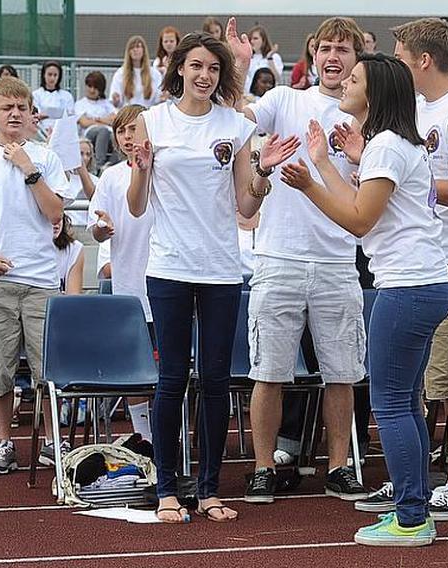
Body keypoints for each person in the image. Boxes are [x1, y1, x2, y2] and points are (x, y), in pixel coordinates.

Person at [125, 26, 299, 524]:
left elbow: (246, 204)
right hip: (169, 268)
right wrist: (139, 168)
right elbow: (137, 208)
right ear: (179, 67)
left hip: (222, 269)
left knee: (217, 381)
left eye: (214, 68)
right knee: (172, 379)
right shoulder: (152, 122)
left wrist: (262, 172)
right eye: (196, 66)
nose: (204, 75)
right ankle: (166, 490)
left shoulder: (235, 125)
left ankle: (208, 491)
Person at [282, 52, 448, 548]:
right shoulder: (392, 144)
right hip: (422, 284)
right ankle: (414, 507)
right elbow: (362, 203)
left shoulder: (385, 145)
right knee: (407, 405)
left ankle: (411, 517)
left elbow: (358, 220)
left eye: (354, 78)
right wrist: (321, 164)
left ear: (374, 92)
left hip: (408, 287)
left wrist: (310, 186)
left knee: (392, 405)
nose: (345, 82)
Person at [238, 16, 369, 506]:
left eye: (344, 49)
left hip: (338, 260)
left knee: (342, 373)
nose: (334, 57)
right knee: (268, 372)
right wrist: (240, 66)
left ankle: (339, 467)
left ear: (357, 57)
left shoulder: (366, 115)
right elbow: (235, 120)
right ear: (312, 55)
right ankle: (263, 467)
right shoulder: (283, 100)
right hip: (278, 257)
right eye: (326, 48)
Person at [379, 17, 448, 522]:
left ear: (423, 60)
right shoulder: (422, 109)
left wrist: (404, 181)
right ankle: (414, 478)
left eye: (400, 55)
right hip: (418, 260)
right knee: (413, 384)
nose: (397, 64)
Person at [0, 77, 73, 474]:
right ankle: (4, 443)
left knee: (49, 370)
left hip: (41, 279)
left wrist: (29, 168)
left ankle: (51, 442)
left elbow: (55, 213)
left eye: (22, 107)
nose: (15, 114)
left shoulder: (47, 157)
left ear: (30, 112)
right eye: (7, 108)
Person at [89, 104, 155, 441]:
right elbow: (96, 230)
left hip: (169, 286)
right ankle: (144, 438)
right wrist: (103, 228)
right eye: (122, 131)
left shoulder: (166, 169)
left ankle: (170, 437)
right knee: (136, 372)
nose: (129, 138)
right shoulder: (111, 177)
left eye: (135, 129)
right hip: (130, 292)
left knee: (170, 370)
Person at [74, 71, 117, 170]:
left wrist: (97, 119)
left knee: (118, 137)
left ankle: (112, 165)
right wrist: (104, 120)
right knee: (103, 131)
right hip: (90, 133)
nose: (92, 90)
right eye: (90, 86)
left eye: (96, 88)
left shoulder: (106, 104)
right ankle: (98, 165)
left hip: (109, 134)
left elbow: (115, 119)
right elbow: (84, 123)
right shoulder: (80, 104)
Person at [110, 35, 162, 108]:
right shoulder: (120, 73)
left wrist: (163, 97)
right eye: (132, 48)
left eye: (138, 47)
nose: (135, 50)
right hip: (128, 114)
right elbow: (116, 102)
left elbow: (158, 99)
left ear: (143, 50)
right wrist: (116, 100)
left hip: (148, 114)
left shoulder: (154, 74)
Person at [32, 61, 75, 132]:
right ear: (44, 75)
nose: (52, 78)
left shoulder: (67, 96)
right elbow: (36, 115)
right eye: (49, 74)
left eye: (55, 75)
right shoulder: (36, 95)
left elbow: (70, 115)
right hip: (41, 130)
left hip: (61, 131)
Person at [65, 138, 98, 226]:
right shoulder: (63, 177)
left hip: (85, 228)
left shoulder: (95, 180)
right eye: (81, 153)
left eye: (88, 154)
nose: (84, 158)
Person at [243, 26, 284, 93]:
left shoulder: (275, 57)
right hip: (249, 96)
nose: (252, 42)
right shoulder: (248, 58)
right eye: (250, 39)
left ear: (264, 40)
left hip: (269, 95)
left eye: (255, 38)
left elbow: (278, 79)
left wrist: (269, 59)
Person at [52, 214, 84, 295]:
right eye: (48, 217)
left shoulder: (74, 248)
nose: (56, 224)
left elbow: (73, 296)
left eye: (59, 217)